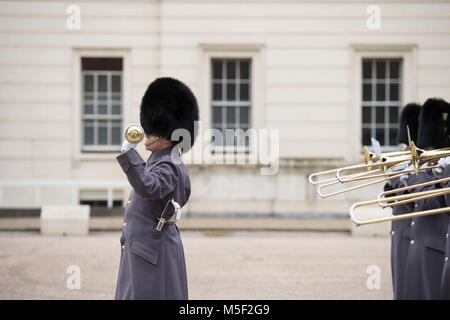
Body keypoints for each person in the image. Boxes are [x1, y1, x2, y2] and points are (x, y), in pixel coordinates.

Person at [114, 77, 199, 299]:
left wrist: (129, 153)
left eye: (153, 129)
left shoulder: (169, 163)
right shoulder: (162, 159)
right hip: (145, 249)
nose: (147, 133)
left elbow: (148, 186)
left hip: (151, 250)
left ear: (169, 134)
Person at [401, 98, 450, 299]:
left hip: (436, 246)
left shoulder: (442, 169)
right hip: (419, 244)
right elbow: (411, 199)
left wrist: (443, 174)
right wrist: (398, 178)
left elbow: (429, 200)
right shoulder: (430, 169)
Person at [383, 103, 420, 299]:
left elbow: (423, 199)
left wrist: (406, 179)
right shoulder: (408, 164)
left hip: (413, 234)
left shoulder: (431, 168)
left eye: (409, 144)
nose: (405, 148)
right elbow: (391, 201)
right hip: (399, 233)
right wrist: (392, 182)